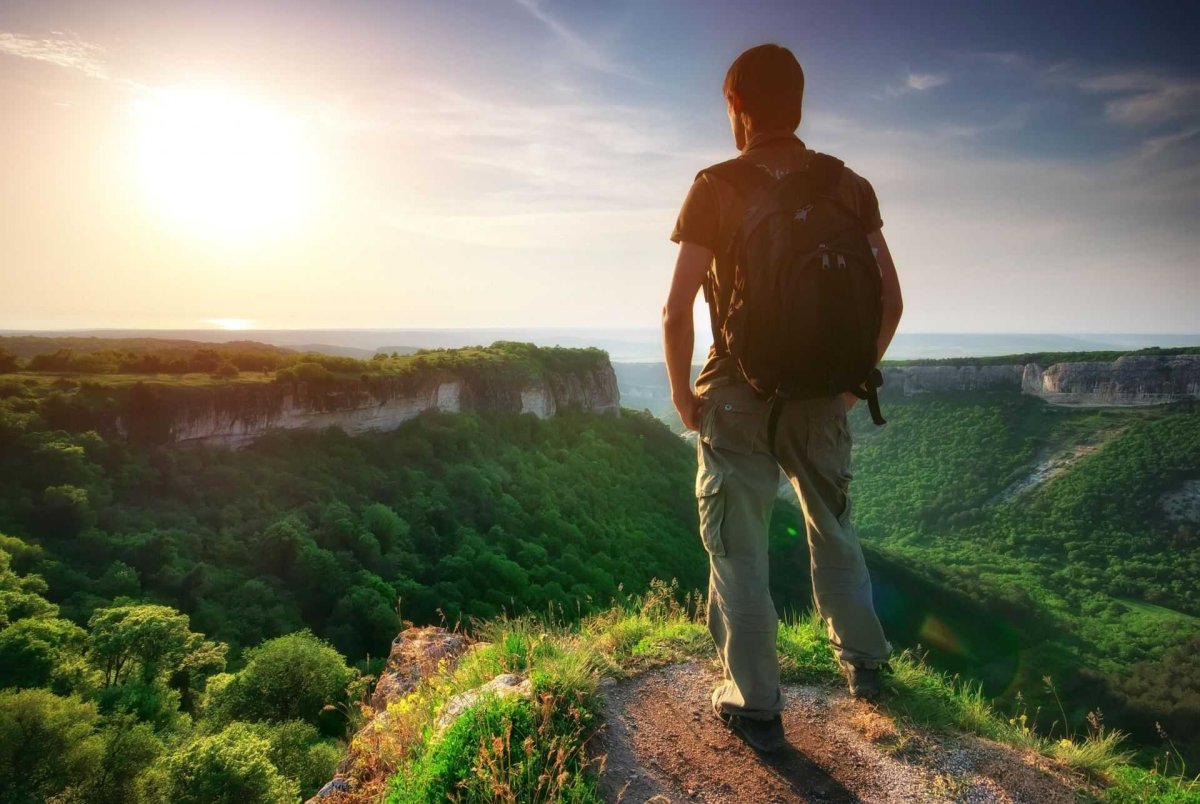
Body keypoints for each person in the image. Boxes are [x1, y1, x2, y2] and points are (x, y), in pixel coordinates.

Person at [661, 43, 904, 753]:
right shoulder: (849, 186)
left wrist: (682, 394)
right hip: (823, 395)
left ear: (736, 107)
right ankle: (866, 665)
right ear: (798, 105)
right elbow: (889, 300)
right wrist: (853, 379)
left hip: (737, 393)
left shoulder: (715, 185)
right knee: (834, 526)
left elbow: (677, 310)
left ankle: (755, 699)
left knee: (738, 545)